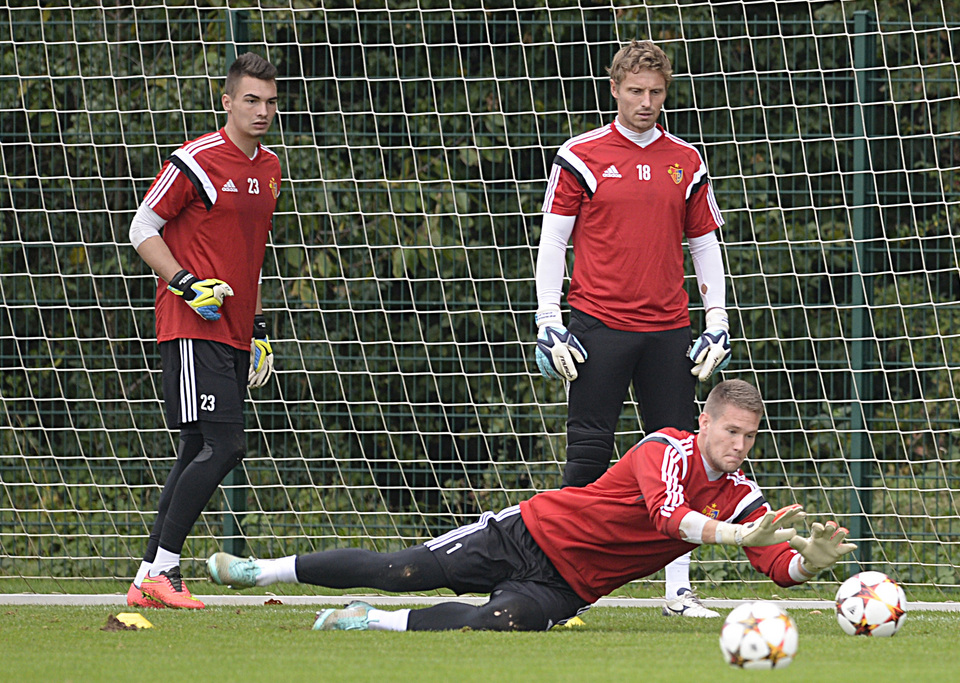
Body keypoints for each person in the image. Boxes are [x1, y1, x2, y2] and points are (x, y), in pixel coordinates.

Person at [207, 380, 855, 631]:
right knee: (398, 567)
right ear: (704, 421)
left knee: (498, 621)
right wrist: (735, 539)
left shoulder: (743, 494)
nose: (738, 445)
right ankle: (260, 571)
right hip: (531, 534)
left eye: (749, 435)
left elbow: (774, 560)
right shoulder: (666, 447)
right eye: (730, 430)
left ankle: (368, 621)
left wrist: (809, 566)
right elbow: (668, 517)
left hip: (570, 586)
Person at [533, 40, 732, 617]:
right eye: (636, 91)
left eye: (657, 92)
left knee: (681, 460)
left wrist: (716, 320)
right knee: (588, 456)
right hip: (597, 325)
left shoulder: (687, 160)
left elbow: (704, 244)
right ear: (614, 89)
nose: (647, 102)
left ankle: (677, 593)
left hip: (670, 329)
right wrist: (549, 318)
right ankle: (561, 587)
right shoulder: (580, 155)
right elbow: (554, 242)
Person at [125, 53, 281, 609]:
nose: (261, 111)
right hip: (193, 324)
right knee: (225, 444)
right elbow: (142, 227)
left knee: (198, 444)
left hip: (237, 331)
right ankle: (165, 571)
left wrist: (258, 326)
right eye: (250, 100)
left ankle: (149, 575)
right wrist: (185, 283)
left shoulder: (270, 168)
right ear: (227, 101)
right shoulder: (196, 160)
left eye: (269, 101)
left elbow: (250, 257)